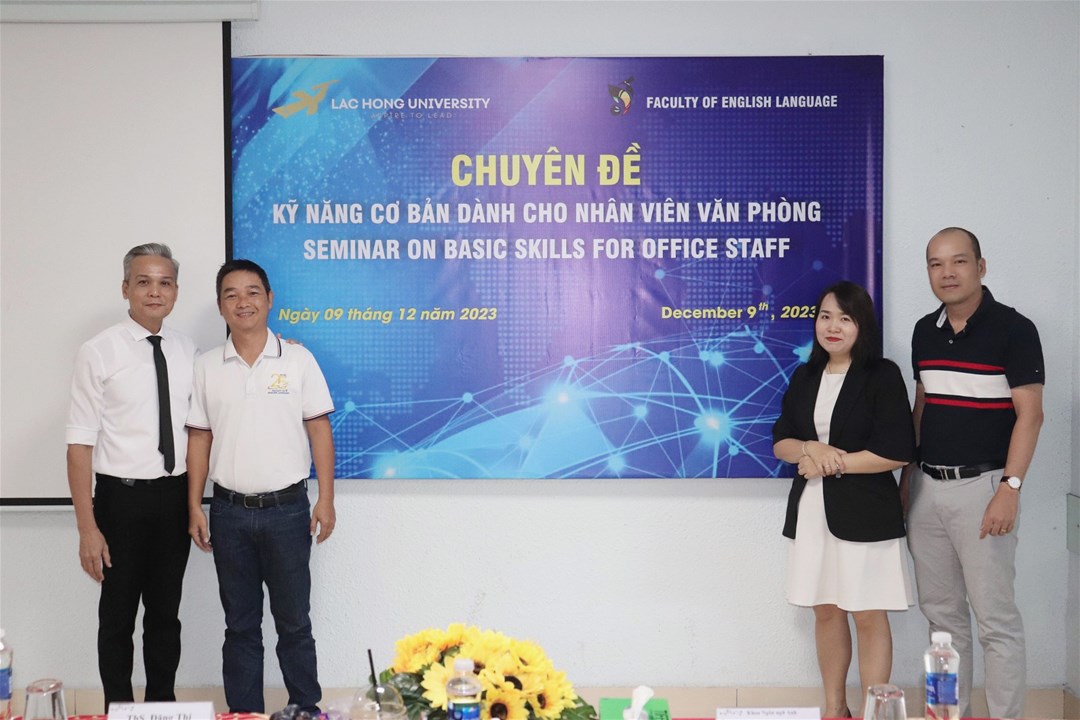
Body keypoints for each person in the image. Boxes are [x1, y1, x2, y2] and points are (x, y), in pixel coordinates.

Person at [904, 227, 1043, 718]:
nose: (947, 273)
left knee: (995, 622)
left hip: (985, 490)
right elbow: (922, 408)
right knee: (942, 623)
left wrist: (1010, 488)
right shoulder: (924, 331)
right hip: (927, 490)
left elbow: (1031, 415)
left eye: (959, 261)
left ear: (980, 267)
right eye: (936, 264)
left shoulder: (1014, 329)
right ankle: (947, 714)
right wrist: (908, 480)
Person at [186, 258, 336, 713]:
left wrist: (326, 499)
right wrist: (194, 506)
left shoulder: (298, 359)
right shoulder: (206, 366)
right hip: (228, 513)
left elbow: (319, 429)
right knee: (240, 627)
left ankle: (305, 709)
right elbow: (199, 438)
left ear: (269, 299)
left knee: (295, 623)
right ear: (220, 306)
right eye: (231, 294)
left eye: (252, 292)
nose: (242, 302)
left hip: (288, 510)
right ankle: (244, 713)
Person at [772, 281, 915, 718]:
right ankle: (835, 708)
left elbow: (896, 450)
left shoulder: (882, 374)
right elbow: (781, 441)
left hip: (867, 514)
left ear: (862, 325)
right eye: (825, 317)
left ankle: (875, 712)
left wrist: (830, 463)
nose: (833, 327)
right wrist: (810, 449)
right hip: (813, 513)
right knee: (826, 611)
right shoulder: (806, 375)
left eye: (845, 318)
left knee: (868, 615)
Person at [66, 243, 196, 709]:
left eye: (165, 283)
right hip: (120, 502)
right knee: (118, 617)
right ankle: (118, 709)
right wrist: (88, 528)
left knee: (165, 616)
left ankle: (162, 707)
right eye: (143, 282)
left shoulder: (188, 350)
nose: (154, 292)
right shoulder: (98, 351)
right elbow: (79, 445)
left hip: (174, 497)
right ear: (125, 289)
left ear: (175, 291)